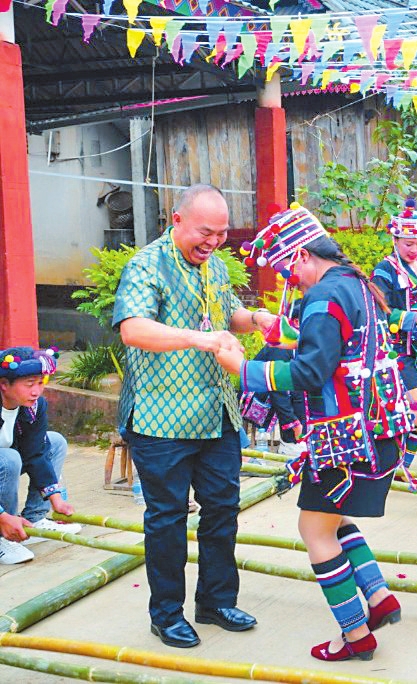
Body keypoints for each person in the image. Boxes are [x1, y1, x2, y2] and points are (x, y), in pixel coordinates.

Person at [217, 205, 412, 662]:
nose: (292, 282)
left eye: (289, 272)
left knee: (313, 528)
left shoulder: (324, 296)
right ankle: (379, 596)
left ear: (303, 255)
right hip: (379, 427)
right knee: (334, 520)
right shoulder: (357, 285)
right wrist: (290, 334)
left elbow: (310, 372)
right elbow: (340, 347)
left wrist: (244, 369)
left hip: (346, 438)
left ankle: (355, 633)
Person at [113, 184, 270, 648]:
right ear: (177, 220)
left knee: (223, 509)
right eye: (206, 232)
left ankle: (216, 601)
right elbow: (133, 329)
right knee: (167, 518)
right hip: (161, 417)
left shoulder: (216, 265)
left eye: (221, 233)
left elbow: (228, 312)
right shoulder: (146, 265)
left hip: (217, 412)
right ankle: (166, 614)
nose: (214, 241)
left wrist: (256, 319)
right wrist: (200, 339)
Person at [371, 200, 417, 477]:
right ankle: (385, 460)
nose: (414, 249)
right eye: (408, 244)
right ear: (395, 240)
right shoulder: (385, 270)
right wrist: (416, 318)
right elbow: (379, 311)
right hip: (395, 351)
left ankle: (400, 467)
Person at [0, 347, 80, 565]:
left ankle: (34, 518)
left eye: (40, 383)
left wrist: (56, 499)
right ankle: (4, 535)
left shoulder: (34, 407)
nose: (36, 391)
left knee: (54, 442)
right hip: (5, 461)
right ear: (4, 384)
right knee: (9, 458)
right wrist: (3, 517)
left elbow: (36, 453)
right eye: (29, 384)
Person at [239, 342, 307, 460]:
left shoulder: (298, 344)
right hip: (260, 398)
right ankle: (290, 443)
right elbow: (277, 390)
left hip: (276, 394)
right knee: (294, 388)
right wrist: (292, 423)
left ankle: (294, 440)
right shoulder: (280, 347)